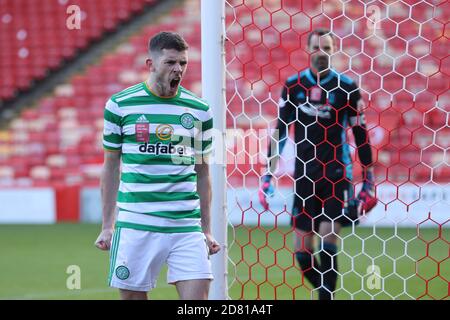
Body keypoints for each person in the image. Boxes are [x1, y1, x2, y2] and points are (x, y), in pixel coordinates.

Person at [95, 31, 220, 300]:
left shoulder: (199, 110)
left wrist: (206, 229)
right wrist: (108, 224)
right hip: (136, 224)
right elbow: (110, 167)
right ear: (150, 64)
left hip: (185, 225)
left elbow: (203, 171)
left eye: (183, 63)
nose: (178, 70)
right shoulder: (119, 106)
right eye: (171, 63)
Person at [259, 28, 377, 300]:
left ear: (333, 50)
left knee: (328, 239)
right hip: (305, 177)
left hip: (337, 174)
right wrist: (269, 173)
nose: (321, 52)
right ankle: (328, 293)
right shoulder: (293, 86)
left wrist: (368, 177)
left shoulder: (347, 87)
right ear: (308, 50)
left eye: (326, 47)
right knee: (302, 252)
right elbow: (280, 131)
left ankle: (326, 297)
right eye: (316, 47)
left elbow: (361, 135)